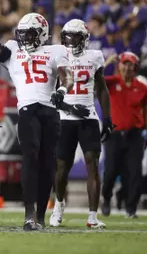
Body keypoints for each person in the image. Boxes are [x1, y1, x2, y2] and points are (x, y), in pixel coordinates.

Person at [0, 0, 74, 231]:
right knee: (30, 160)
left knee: (47, 164)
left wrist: (62, 91)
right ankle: (29, 215)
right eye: (24, 34)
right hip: (28, 111)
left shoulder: (55, 50)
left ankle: (40, 214)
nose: (26, 38)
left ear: (41, 33)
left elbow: (67, 75)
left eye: (31, 34)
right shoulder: (13, 50)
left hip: (50, 111)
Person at [49, 19, 113, 229]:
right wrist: (69, 108)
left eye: (75, 36)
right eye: (67, 36)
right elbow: (57, 87)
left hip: (89, 117)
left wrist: (109, 117)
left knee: (93, 165)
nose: (70, 40)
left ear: (84, 38)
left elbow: (102, 89)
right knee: (61, 168)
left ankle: (92, 216)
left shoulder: (94, 56)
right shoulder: (59, 55)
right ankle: (58, 206)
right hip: (65, 118)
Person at [101, 52, 147, 218]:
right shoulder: (112, 82)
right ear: (119, 65)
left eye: (130, 64)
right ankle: (106, 198)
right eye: (124, 63)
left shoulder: (142, 87)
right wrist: (106, 62)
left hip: (134, 135)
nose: (127, 67)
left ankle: (131, 208)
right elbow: (96, 80)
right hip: (114, 134)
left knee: (134, 172)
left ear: (135, 67)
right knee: (110, 171)